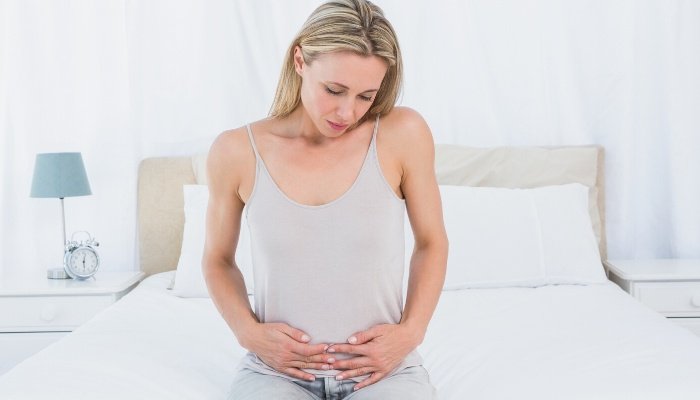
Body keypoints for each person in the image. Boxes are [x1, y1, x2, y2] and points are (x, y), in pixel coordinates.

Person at [203, 0, 448, 398]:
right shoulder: (236, 151)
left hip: (384, 372)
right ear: (300, 60)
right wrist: (248, 332)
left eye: (366, 96)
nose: (347, 111)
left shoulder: (403, 134)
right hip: (277, 373)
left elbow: (432, 242)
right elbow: (217, 260)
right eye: (334, 90)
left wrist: (411, 333)